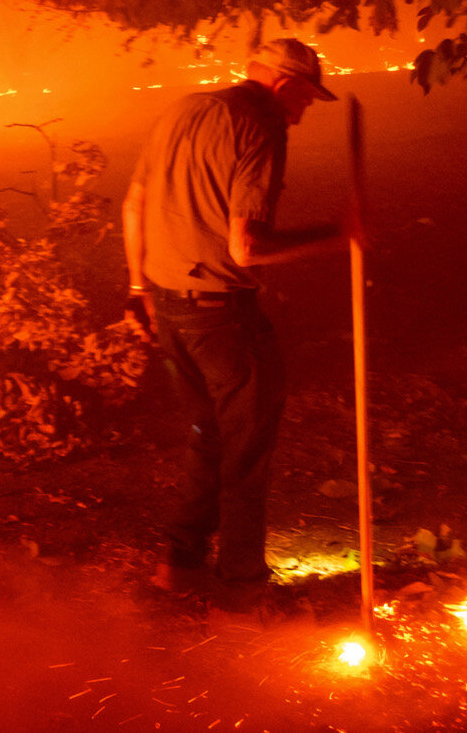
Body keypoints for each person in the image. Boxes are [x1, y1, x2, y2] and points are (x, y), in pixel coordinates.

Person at [122, 38, 349, 609]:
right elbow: (246, 247)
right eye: (306, 101)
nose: (303, 113)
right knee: (246, 447)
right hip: (221, 314)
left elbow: (133, 204)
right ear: (286, 86)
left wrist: (137, 288)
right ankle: (243, 587)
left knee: (207, 436)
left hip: (170, 306)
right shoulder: (260, 125)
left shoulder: (182, 108)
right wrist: (337, 237)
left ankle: (179, 563)